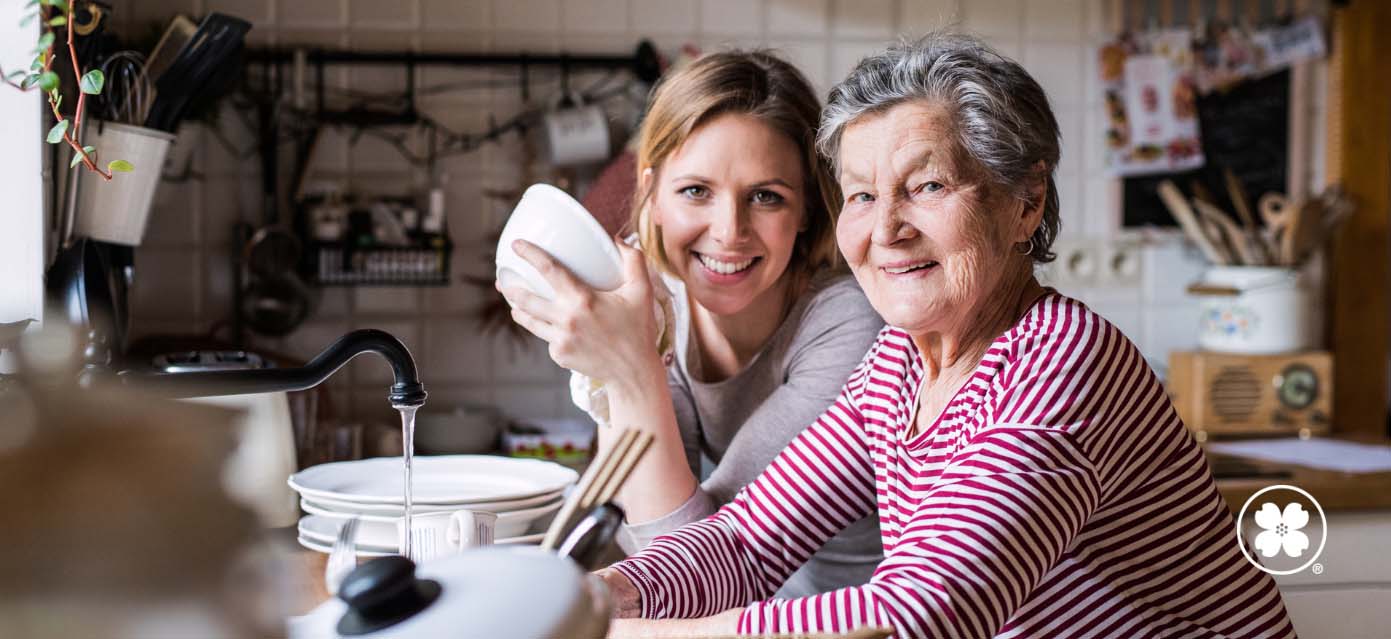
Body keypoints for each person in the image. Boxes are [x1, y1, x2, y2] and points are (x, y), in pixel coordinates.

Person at [597, 33, 1297, 638]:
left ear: (1025, 202)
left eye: (927, 186)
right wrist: (596, 597)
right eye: (863, 195)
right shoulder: (896, 366)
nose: (885, 229)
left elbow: (913, 617)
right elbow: (747, 544)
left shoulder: (1062, 360)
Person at [498, 50, 886, 596]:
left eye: (766, 197)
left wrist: (628, 369)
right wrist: (612, 371)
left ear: (806, 213)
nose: (729, 231)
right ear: (652, 193)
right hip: (738, 618)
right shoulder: (656, 299)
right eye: (695, 191)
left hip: (847, 623)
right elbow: (652, 551)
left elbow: (698, 567)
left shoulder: (849, 324)